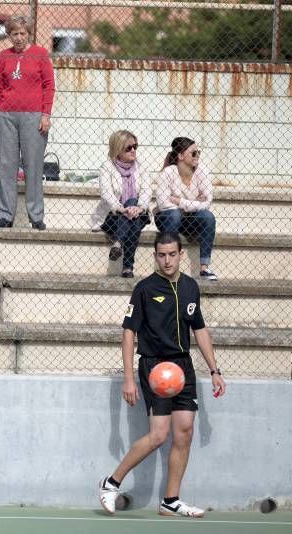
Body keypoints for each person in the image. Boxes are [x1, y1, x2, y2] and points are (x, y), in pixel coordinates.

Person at [98, 232, 226, 518]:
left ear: (181, 254)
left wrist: (215, 370)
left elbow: (200, 329)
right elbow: (128, 332)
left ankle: (171, 500)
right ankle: (111, 482)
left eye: (172, 254)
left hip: (183, 368)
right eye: (161, 254)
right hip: (155, 367)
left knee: (184, 432)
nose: (167, 260)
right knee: (158, 435)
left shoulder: (191, 287)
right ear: (155, 255)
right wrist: (129, 377)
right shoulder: (144, 289)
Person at [0, 15, 55, 231]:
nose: (18, 38)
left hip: (33, 116)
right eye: (14, 34)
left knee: (32, 166)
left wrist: (45, 114)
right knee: (6, 167)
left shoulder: (40, 54)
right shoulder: (3, 56)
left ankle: (36, 216)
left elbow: (48, 85)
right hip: (6, 115)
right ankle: (5, 215)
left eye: (22, 33)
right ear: (9, 35)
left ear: (29, 34)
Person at [154, 137, 218, 280]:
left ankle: (204, 268)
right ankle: (168, 268)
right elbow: (163, 203)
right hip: (166, 218)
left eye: (198, 152)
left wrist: (179, 201)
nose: (197, 156)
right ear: (181, 156)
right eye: (193, 153)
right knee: (175, 215)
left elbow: (207, 203)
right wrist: (193, 203)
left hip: (188, 221)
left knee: (208, 217)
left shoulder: (203, 172)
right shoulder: (169, 173)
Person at [90, 130, 152, 278]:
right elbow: (107, 194)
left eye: (135, 146)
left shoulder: (141, 167)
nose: (133, 150)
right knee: (134, 222)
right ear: (117, 148)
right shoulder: (107, 167)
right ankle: (128, 268)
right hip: (112, 217)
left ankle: (118, 242)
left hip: (137, 212)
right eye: (128, 147)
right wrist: (121, 209)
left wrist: (139, 207)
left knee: (133, 209)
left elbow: (146, 191)